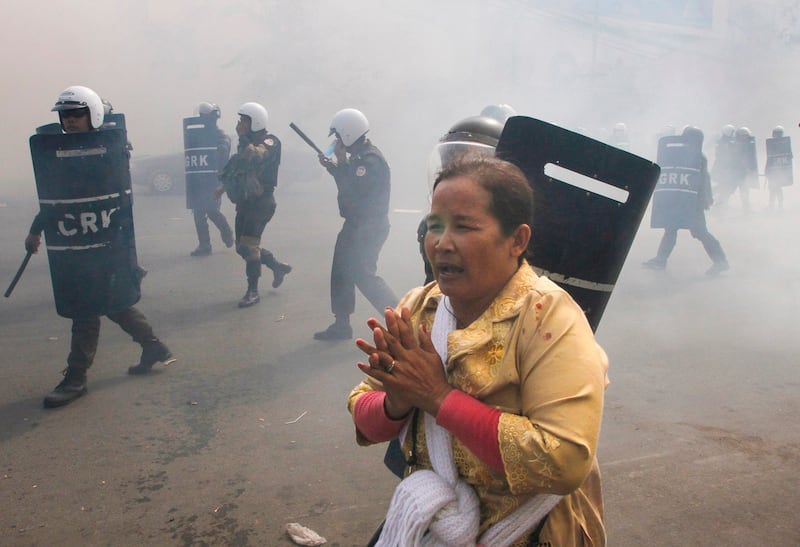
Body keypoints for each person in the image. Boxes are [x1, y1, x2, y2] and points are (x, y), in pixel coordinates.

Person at [348, 156, 609, 546]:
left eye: (464, 227)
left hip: (529, 532)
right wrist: (396, 402)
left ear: (517, 241)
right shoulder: (419, 307)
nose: (442, 243)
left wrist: (438, 397)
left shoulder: (548, 317)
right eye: (435, 226)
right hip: (435, 522)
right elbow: (364, 415)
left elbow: (565, 460)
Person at [25, 85, 174, 409]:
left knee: (86, 310)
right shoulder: (59, 153)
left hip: (105, 245)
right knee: (114, 305)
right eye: (65, 115)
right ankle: (153, 346)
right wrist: (36, 230)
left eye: (77, 114)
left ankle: (76, 378)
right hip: (76, 245)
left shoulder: (109, 152)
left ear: (91, 114)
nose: (70, 120)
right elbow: (57, 200)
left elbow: (117, 199)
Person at [314, 108, 397, 340]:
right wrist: (334, 167)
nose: (336, 141)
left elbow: (353, 193)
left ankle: (401, 320)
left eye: (338, 136)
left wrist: (340, 163)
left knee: (363, 275)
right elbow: (350, 183)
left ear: (348, 134)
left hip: (369, 227)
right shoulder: (360, 158)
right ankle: (341, 324)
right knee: (341, 271)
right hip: (356, 225)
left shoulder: (369, 161)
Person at [216, 102, 292, 308]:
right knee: (241, 247)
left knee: (249, 247)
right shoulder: (246, 143)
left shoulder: (270, 141)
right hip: (246, 202)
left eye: (244, 121)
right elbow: (239, 167)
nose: (240, 124)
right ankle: (276, 266)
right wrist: (222, 188)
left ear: (255, 122)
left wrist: (243, 138)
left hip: (261, 203)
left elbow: (254, 155)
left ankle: (253, 291)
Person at [643, 126, 730, 276]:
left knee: (700, 232)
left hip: (693, 202)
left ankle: (721, 261)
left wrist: (704, 200)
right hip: (679, 199)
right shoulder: (679, 154)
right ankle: (661, 259)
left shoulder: (699, 158)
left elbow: (703, 181)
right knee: (671, 228)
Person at [187, 102, 234, 257]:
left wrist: (221, 149)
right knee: (198, 212)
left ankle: (226, 232)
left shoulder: (220, 135)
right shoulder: (197, 135)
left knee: (212, 210)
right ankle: (204, 245)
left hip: (213, 180)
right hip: (198, 181)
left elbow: (224, 145)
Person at [764, 125, 793, 212]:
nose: (776, 135)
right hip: (773, 171)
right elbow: (769, 158)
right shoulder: (771, 145)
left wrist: (789, 156)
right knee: (773, 189)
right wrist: (767, 170)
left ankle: (779, 205)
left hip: (780, 171)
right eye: (775, 133)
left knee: (777, 188)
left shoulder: (785, 145)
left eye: (778, 134)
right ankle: (773, 205)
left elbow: (789, 157)